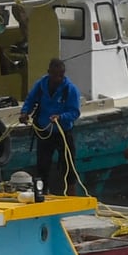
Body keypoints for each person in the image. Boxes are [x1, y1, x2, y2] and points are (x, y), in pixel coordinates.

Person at [19, 56, 83, 193]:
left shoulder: (70, 90)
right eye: (54, 75)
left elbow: (75, 112)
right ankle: (43, 194)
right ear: (48, 72)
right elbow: (31, 100)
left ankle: (71, 195)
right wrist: (25, 113)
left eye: (60, 76)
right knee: (42, 166)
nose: (57, 79)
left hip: (63, 133)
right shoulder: (41, 85)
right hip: (44, 132)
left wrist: (61, 117)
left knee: (68, 167)